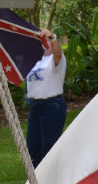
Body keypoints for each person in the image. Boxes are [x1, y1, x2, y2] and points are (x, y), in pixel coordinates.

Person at [25, 27, 67, 167]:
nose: (46, 43)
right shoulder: (35, 61)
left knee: (49, 150)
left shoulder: (55, 60)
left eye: (48, 40)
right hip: (34, 107)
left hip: (51, 107)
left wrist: (53, 37)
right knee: (32, 150)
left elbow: (58, 54)